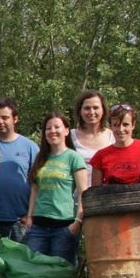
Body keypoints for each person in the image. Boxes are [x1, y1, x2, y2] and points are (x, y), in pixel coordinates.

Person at [22, 113, 88, 266]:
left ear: (66, 130)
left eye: (57, 127)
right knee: (34, 270)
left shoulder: (74, 158)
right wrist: (30, 217)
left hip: (64, 227)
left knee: (60, 273)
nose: (52, 131)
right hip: (38, 227)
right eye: (48, 128)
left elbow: (83, 192)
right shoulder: (41, 157)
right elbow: (35, 190)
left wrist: (78, 222)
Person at [0, 98, 39, 239]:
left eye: (5, 117)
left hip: (19, 221)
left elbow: (38, 185)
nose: (0, 121)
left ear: (15, 119)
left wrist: (31, 215)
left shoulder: (30, 147)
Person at [90, 103, 140, 186]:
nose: (121, 129)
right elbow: (96, 192)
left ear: (133, 125)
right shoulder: (100, 156)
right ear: (111, 127)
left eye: (125, 124)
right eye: (116, 125)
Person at [71, 90, 115, 182]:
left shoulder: (113, 137)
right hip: (76, 191)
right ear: (80, 111)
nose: (91, 112)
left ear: (103, 110)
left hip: (107, 190)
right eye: (87, 108)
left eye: (95, 108)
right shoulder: (70, 137)